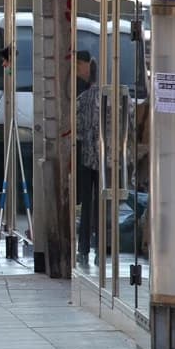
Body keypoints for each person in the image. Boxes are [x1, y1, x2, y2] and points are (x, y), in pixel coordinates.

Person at [76, 57, 100, 267]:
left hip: (86, 158)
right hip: (106, 159)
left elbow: (77, 132)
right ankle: (101, 247)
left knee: (86, 204)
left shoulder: (82, 99)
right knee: (102, 203)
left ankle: (83, 248)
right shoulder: (111, 99)